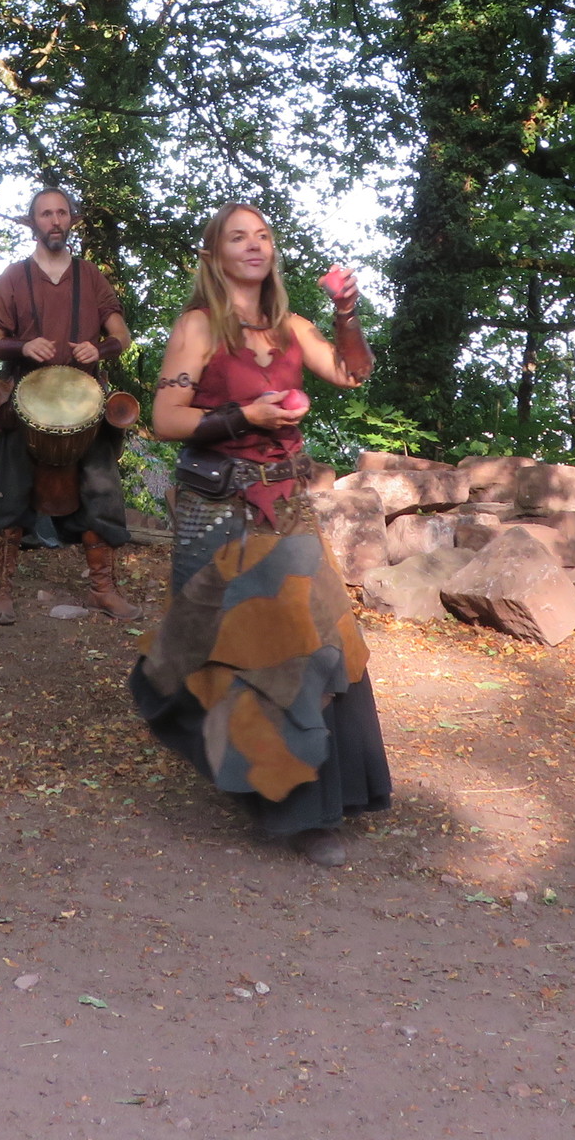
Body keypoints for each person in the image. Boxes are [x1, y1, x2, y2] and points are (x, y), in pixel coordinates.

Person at [129, 204, 389, 867]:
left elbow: (352, 373)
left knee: (321, 638)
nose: (254, 245)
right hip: (220, 507)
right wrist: (244, 414)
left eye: (264, 236)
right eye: (238, 236)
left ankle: (321, 801)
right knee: (236, 645)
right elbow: (165, 418)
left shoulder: (293, 327)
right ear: (214, 254)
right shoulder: (199, 326)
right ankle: (287, 801)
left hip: (289, 504)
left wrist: (347, 313)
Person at [0, 187, 139, 624]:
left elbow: (122, 334)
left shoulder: (90, 276)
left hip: (86, 404)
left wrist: (100, 349)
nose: (54, 220)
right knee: (7, 497)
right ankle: (1, 592)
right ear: (33, 223)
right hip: (25, 403)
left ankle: (103, 590)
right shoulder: (13, 277)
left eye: (62, 213)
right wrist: (23, 346)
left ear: (71, 221)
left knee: (102, 497)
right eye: (45, 214)